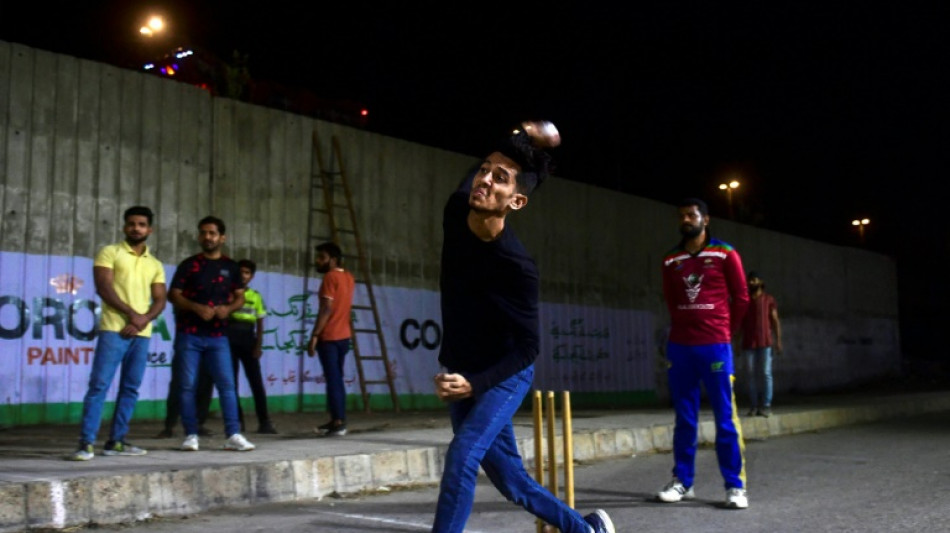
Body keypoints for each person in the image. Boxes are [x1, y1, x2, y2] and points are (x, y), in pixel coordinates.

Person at [431, 122, 614, 533]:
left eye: (499, 178)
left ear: (516, 201)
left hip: (504, 374)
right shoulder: (456, 211)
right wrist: (525, 136)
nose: (484, 180)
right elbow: (488, 163)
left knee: (462, 457)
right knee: (510, 480)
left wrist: (476, 384)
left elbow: (529, 347)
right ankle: (586, 530)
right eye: (483, 170)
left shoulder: (518, 268)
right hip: (463, 367)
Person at [657, 197, 751, 509]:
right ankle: (683, 482)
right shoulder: (671, 259)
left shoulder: (725, 253)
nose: (686, 220)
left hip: (715, 346)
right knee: (685, 418)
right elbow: (671, 299)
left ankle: (735, 487)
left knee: (725, 418)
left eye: (692, 215)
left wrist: (726, 333)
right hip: (681, 347)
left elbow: (742, 297)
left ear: (705, 219)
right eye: (682, 215)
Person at [68, 206, 167, 461]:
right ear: (124, 227)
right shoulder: (109, 252)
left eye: (141, 224)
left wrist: (143, 319)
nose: (136, 228)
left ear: (150, 229)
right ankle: (86, 443)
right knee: (99, 385)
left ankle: (116, 441)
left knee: (131, 388)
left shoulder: (155, 264)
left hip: (141, 333)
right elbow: (104, 288)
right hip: (114, 329)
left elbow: (160, 299)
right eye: (131, 224)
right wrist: (133, 314)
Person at [168, 216, 255, 452]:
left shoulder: (231, 267)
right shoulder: (189, 265)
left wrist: (228, 309)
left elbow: (240, 297)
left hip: (218, 336)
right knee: (187, 386)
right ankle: (191, 435)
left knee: (227, 386)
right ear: (199, 236)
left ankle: (233, 434)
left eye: (212, 233)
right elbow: (173, 295)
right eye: (203, 233)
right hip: (189, 334)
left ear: (222, 238)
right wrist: (195, 307)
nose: (207, 237)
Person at [306, 242, 355, 437]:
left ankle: (339, 422)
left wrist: (315, 335)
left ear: (333, 260)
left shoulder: (330, 277)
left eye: (322, 258)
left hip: (329, 336)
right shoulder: (349, 277)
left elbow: (326, 309)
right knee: (337, 379)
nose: (317, 261)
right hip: (344, 336)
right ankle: (337, 418)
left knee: (333, 380)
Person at [228, 259, 277, 434]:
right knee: (231, 383)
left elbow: (260, 323)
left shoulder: (255, 296)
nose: (243, 275)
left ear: (252, 276)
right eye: (240, 272)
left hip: (248, 339)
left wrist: (258, 345)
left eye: (247, 273)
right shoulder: (228, 294)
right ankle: (238, 422)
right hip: (229, 338)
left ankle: (264, 422)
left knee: (256, 382)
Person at [739, 271, 782, 417]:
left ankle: (766, 405)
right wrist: (736, 343)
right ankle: (753, 406)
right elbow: (741, 324)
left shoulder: (769, 300)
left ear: (761, 282)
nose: (751, 283)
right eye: (749, 280)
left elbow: (775, 321)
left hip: (765, 343)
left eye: (754, 280)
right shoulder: (745, 301)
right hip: (748, 343)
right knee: (750, 375)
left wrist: (778, 341)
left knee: (765, 373)